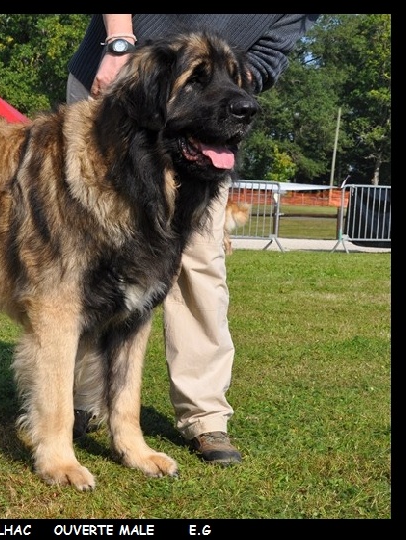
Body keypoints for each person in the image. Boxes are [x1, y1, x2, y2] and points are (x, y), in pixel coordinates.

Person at [68, 14, 319, 464]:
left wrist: (230, 87)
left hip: (196, 119)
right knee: (88, 262)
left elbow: (268, 56)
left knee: (199, 261)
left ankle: (205, 415)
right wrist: (121, 42)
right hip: (113, 76)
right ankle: (80, 401)